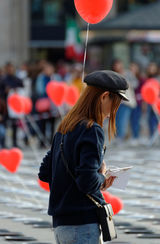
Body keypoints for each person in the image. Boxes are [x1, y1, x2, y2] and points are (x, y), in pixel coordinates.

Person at [38, 70, 129, 244]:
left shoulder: (65, 125)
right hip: (82, 225)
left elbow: (44, 172)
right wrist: (102, 175)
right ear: (104, 97)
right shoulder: (92, 129)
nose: (115, 110)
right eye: (116, 102)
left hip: (61, 224)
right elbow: (86, 182)